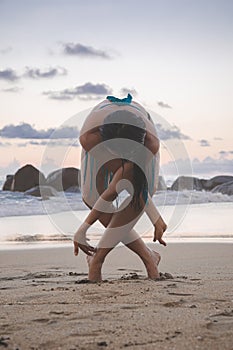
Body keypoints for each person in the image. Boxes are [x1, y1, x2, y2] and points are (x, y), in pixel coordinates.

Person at [73, 95, 167, 281]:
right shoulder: (90, 138)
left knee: (135, 199)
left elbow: (134, 185)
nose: (122, 158)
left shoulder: (150, 144)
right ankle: (149, 256)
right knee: (92, 197)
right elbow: (111, 191)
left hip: (138, 139)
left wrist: (155, 217)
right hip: (101, 139)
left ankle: (98, 260)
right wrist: (82, 229)